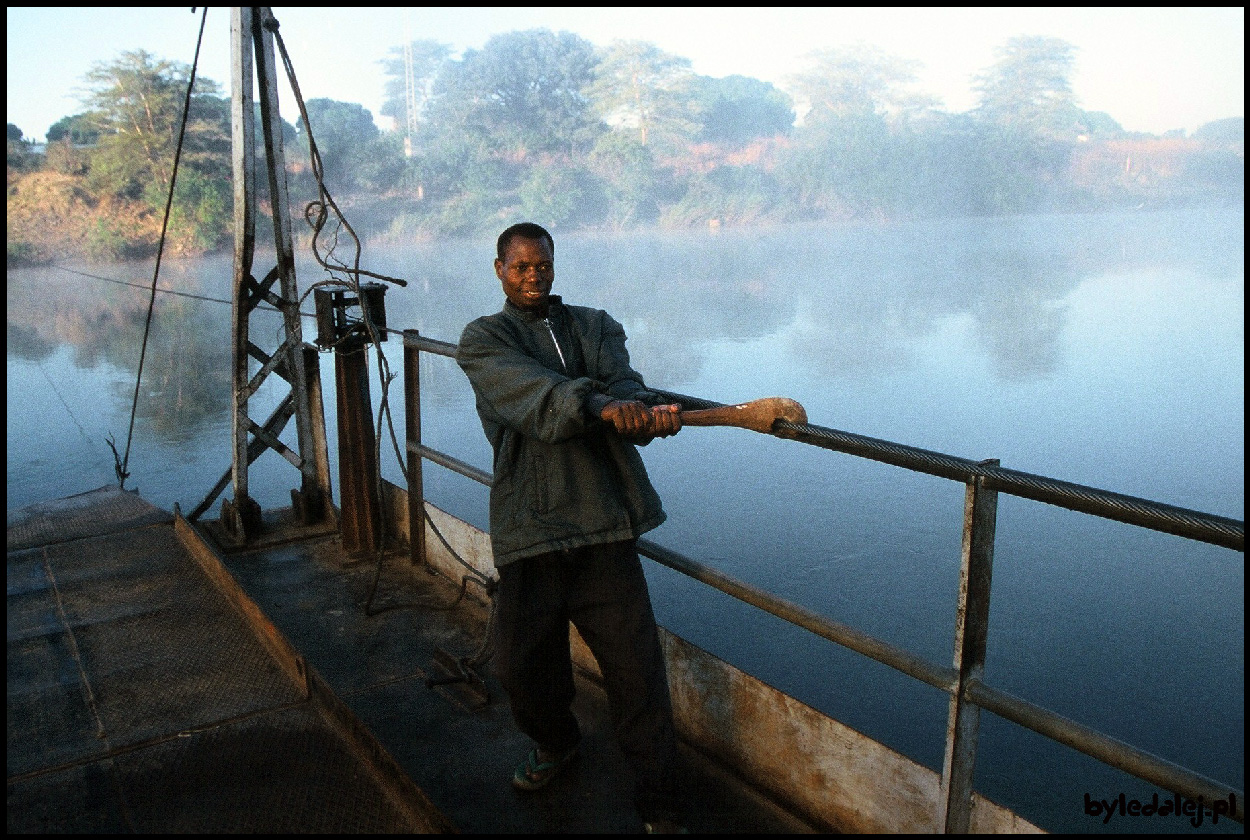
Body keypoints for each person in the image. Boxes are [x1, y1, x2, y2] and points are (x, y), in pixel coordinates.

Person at [456, 222, 688, 833]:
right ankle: (557, 741)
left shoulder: (595, 325)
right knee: (519, 666)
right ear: (499, 268)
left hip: (602, 522)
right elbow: (531, 396)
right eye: (521, 267)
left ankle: (661, 805)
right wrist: (597, 405)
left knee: (637, 673)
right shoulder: (483, 340)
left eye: (543, 265)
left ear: (555, 264)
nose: (533, 277)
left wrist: (638, 408)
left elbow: (623, 383)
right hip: (530, 525)